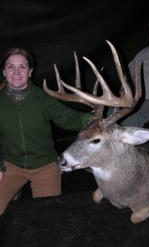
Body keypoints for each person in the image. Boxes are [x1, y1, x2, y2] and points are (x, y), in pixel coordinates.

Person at [0, 47, 93, 215]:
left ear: (30, 72)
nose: (16, 72)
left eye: (22, 66)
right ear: (3, 72)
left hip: (44, 166)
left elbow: (65, 116)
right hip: (10, 165)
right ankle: (15, 191)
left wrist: (89, 120)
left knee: (47, 217)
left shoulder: (41, 98)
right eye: (10, 66)